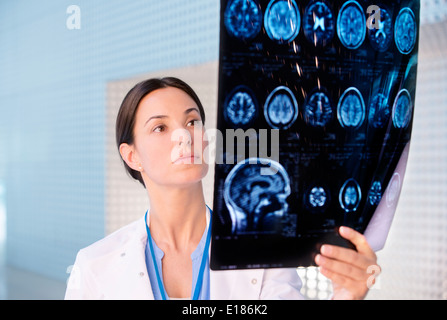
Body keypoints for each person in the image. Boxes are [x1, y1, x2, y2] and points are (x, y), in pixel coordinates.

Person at [65, 77, 379, 300]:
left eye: (192, 122)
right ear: (132, 156)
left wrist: (347, 297)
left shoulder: (262, 253)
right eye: (160, 127)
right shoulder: (94, 266)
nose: (184, 136)